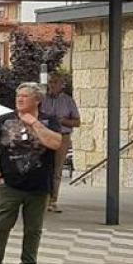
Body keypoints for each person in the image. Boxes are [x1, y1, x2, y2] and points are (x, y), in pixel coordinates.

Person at [0, 83, 63, 264]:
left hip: (38, 186)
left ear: (37, 100)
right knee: (1, 225)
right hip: (9, 184)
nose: (19, 99)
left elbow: (55, 143)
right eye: (18, 95)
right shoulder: (4, 120)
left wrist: (34, 124)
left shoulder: (49, 121)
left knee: (33, 228)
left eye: (25, 96)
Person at [39, 71, 79, 213]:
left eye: (55, 82)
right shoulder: (42, 99)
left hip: (62, 136)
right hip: (44, 135)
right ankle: (41, 198)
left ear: (62, 85)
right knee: (43, 167)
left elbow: (77, 122)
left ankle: (53, 200)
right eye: (50, 82)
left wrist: (62, 121)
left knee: (57, 169)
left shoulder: (68, 101)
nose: (52, 85)